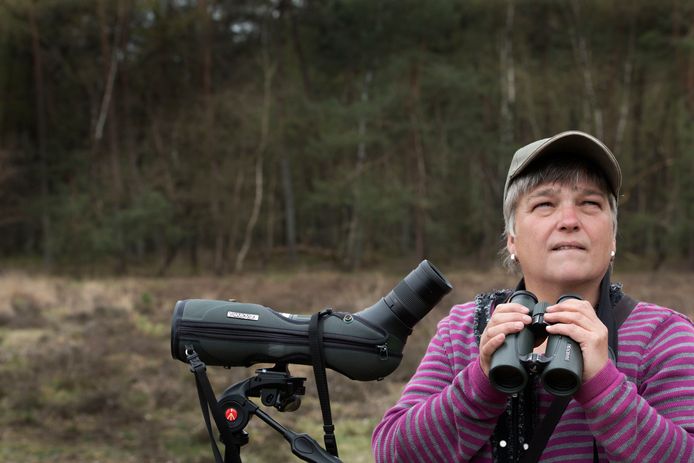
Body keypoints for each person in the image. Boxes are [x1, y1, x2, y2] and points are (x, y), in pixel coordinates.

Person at [372, 130, 694, 462]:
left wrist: (605, 387)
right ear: (512, 239)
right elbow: (393, 452)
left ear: (612, 236)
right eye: (544, 204)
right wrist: (481, 383)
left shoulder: (663, 336)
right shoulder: (464, 330)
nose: (569, 221)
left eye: (590, 204)